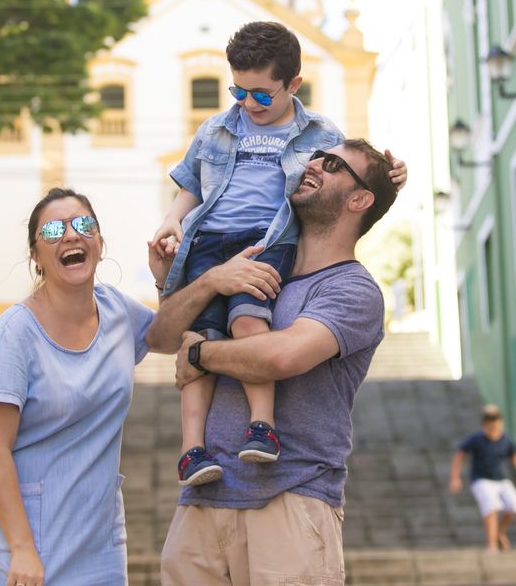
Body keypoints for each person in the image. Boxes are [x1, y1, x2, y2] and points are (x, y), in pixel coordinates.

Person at [150, 21, 405, 487]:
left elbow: (349, 176)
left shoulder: (319, 132)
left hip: (266, 243)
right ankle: (191, 450)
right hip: (209, 242)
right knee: (197, 335)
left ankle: (262, 425)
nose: (249, 103)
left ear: (293, 84)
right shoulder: (217, 128)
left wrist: (390, 175)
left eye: (263, 94)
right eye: (239, 91)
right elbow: (190, 182)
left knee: (249, 321)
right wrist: (172, 220)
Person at [146, 139, 399, 586]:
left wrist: (200, 354)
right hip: (202, 502)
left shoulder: (352, 289)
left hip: (289, 500)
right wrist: (209, 281)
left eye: (334, 163)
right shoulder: (245, 267)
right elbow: (161, 338)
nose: (315, 162)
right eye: (317, 155)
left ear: (359, 199)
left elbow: (282, 355)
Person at [0, 188, 157, 586]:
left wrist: (168, 280)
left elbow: (167, 336)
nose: (70, 235)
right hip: (18, 541)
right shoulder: (11, 335)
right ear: (36, 256)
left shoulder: (118, 310)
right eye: (52, 230)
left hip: (97, 540)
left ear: (99, 244)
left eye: (83, 224)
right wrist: (21, 548)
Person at [448, 405, 516, 552]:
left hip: (501, 479)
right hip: (481, 480)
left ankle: (499, 532)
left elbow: (513, 454)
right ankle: (492, 545)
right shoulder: (476, 439)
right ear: (483, 426)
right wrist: (454, 478)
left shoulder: (505, 439)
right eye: (490, 428)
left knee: (515, 505)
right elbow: (459, 456)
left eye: (496, 428)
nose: (493, 432)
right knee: (491, 506)